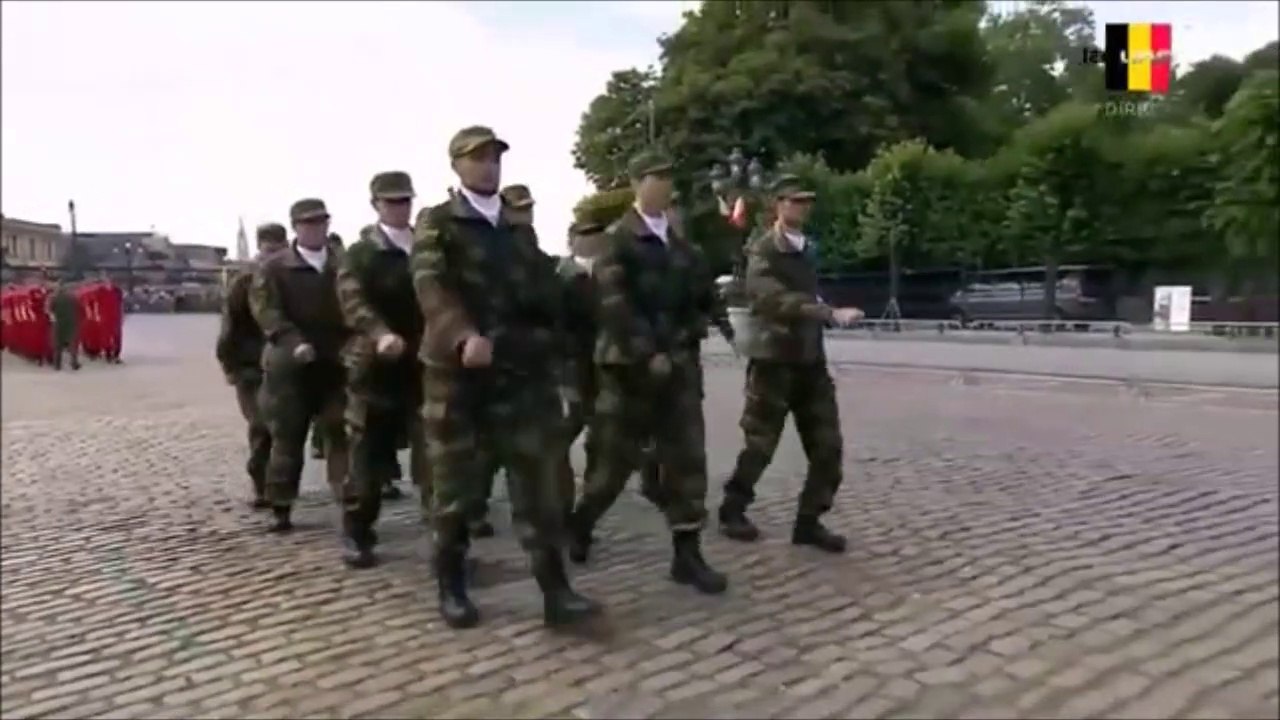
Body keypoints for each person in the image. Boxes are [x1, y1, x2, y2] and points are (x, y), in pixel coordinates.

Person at [411, 125, 601, 629]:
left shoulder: (517, 230)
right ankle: (451, 586)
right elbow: (431, 286)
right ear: (456, 166)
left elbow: (541, 291)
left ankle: (556, 592)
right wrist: (462, 335)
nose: (488, 166)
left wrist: (578, 286)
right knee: (457, 495)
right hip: (461, 382)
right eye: (477, 158)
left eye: (494, 157)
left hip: (519, 379)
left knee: (538, 491)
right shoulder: (438, 223)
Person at [567, 150, 728, 596]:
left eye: (668, 179)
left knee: (687, 460)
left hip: (678, 370)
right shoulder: (616, 241)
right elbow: (614, 304)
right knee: (612, 464)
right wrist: (647, 351)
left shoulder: (683, 247)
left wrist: (705, 328)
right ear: (637, 184)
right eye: (654, 178)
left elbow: (703, 298)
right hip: (627, 371)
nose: (663, 186)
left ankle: (687, 554)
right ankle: (581, 523)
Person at [717, 175, 863, 553]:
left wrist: (822, 310)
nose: (802, 207)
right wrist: (827, 313)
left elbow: (806, 293)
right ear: (778, 204)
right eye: (795, 201)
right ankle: (733, 509)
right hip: (774, 362)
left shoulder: (808, 248)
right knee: (760, 445)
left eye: (806, 201)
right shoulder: (763, 249)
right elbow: (773, 299)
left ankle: (809, 522)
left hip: (810, 361)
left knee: (827, 447)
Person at [333, 171, 431, 569]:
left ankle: (446, 542)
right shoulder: (361, 254)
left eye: (405, 200)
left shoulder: (428, 248)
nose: (399, 208)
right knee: (368, 460)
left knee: (436, 457)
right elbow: (353, 302)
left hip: (425, 366)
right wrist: (380, 334)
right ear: (375, 205)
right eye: (391, 201)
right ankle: (357, 531)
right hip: (376, 368)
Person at [249, 199, 351, 534]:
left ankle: (349, 502)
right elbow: (267, 312)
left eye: (321, 222)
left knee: (341, 431)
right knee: (288, 438)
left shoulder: (341, 264)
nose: (315, 229)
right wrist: (294, 342)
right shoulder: (274, 268)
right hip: (290, 367)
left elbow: (356, 304)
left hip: (335, 363)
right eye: (308, 223)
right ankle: (281, 505)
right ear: (295, 227)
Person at [636, 206, 735, 511]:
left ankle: (689, 499)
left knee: (689, 431)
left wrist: (728, 330)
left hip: (686, 353)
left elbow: (710, 296)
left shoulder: (693, 255)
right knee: (655, 426)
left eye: (677, 221)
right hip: (653, 354)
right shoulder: (640, 254)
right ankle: (651, 478)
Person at [217, 223, 289, 509]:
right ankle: (262, 483)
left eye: (278, 249)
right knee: (261, 426)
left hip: (283, 365)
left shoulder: (289, 277)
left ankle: (279, 484)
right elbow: (230, 327)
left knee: (282, 427)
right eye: (269, 250)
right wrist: (230, 365)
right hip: (251, 366)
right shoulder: (244, 283)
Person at [554, 219, 608, 529]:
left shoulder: (612, 273)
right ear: (571, 241)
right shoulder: (559, 275)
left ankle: (587, 506)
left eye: (596, 235)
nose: (592, 241)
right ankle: (560, 505)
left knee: (602, 437)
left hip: (605, 367)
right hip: (570, 368)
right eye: (585, 235)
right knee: (565, 431)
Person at [46, 278, 81, 371]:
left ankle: (57, 365)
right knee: (72, 344)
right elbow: (79, 308)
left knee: (57, 345)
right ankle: (74, 363)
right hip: (70, 322)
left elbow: (49, 310)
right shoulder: (72, 297)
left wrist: (52, 318)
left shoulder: (53, 297)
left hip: (58, 323)